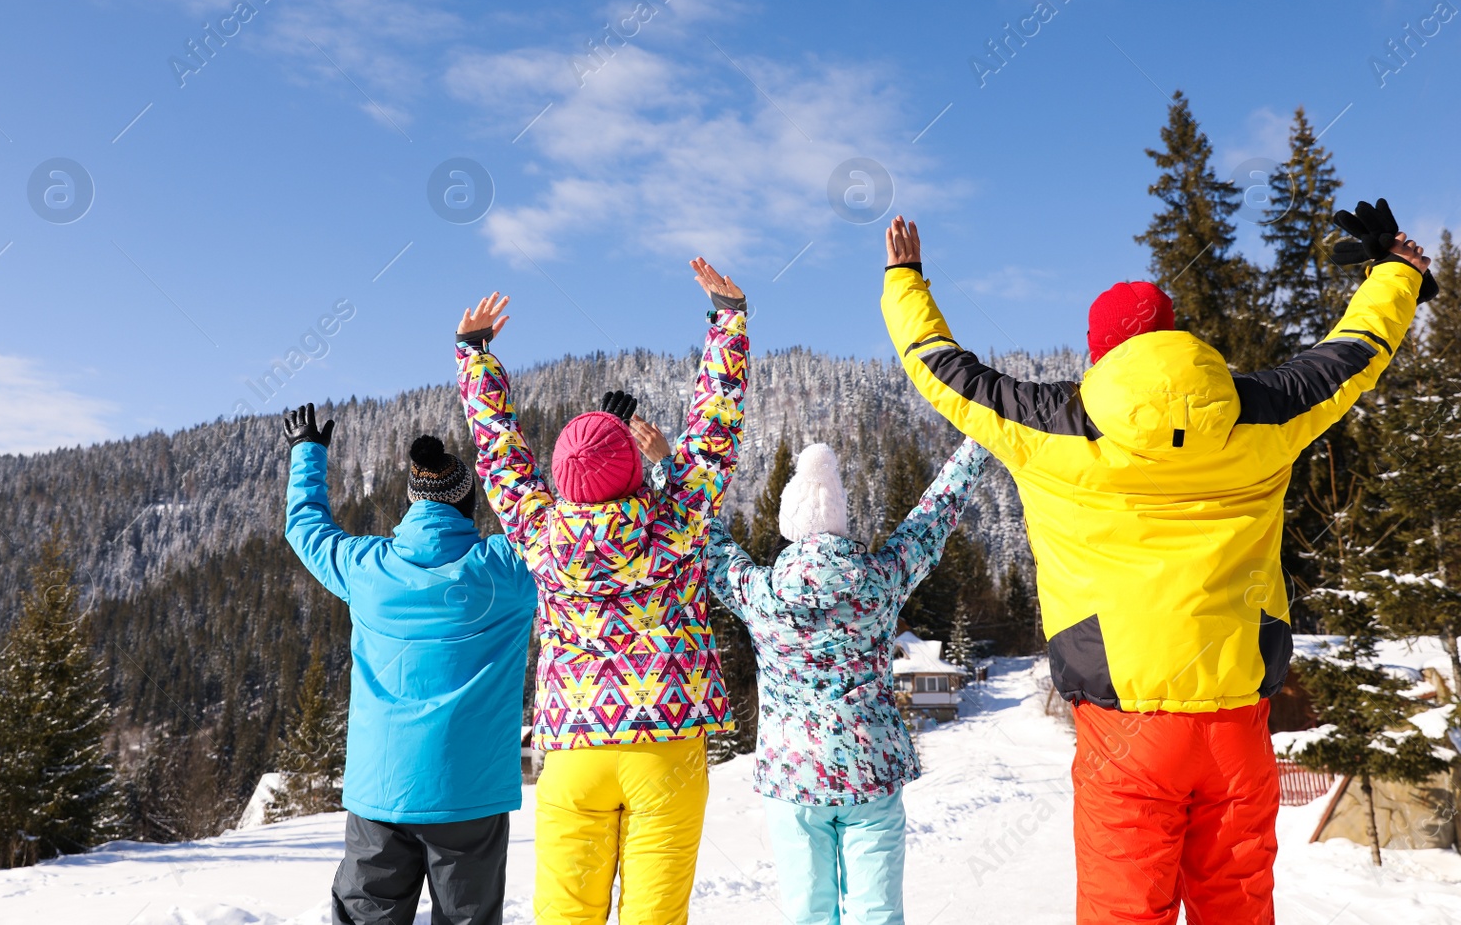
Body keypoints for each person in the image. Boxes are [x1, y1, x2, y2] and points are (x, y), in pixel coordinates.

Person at [877, 201, 1436, 925]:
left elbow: (943, 370)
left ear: (1098, 353)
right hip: (1237, 719)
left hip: (1126, 731)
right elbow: (1353, 354)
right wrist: (1397, 272)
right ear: (1174, 335)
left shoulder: (1052, 423)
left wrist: (905, 279)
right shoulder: (1262, 409)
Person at [454, 259, 748, 925]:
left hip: (574, 746)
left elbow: (499, 456)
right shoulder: (676, 521)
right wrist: (727, 319)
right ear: (636, 469)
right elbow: (713, 436)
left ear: (561, 477)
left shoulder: (542, 532)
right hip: (667, 744)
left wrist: (475, 358)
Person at [703, 437, 988, 925]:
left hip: (793, 780)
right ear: (840, 520)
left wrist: (667, 466)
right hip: (871, 773)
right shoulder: (880, 580)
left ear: (789, 524)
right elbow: (933, 516)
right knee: (877, 915)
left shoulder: (761, 593)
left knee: (807, 915)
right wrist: (979, 443)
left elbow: (703, 535)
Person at [282, 406, 536, 925]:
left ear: (411, 502)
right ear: (470, 504)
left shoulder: (366, 568)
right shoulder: (507, 569)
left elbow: (305, 527)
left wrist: (306, 453)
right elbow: (567, 532)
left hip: (381, 791)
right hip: (470, 794)